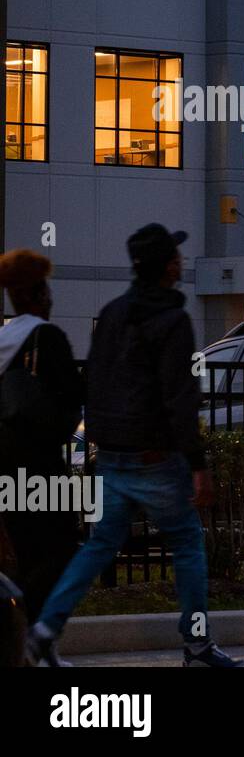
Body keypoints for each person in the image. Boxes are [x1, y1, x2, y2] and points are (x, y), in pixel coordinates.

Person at [27, 224, 244, 667]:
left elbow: (96, 383)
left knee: (98, 546)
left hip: (111, 456)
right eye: (177, 259)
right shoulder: (174, 320)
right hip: (156, 458)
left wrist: (103, 442)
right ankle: (197, 644)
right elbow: (179, 398)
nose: (181, 264)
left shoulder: (112, 313)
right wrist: (198, 464)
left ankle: (45, 629)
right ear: (168, 267)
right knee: (186, 543)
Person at [0, 250, 83, 632]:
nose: (51, 298)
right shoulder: (47, 337)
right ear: (37, 293)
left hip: (6, 468)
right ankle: (37, 634)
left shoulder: (4, 338)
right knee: (63, 546)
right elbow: (71, 401)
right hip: (43, 467)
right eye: (47, 291)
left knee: (27, 553)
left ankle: (25, 635)